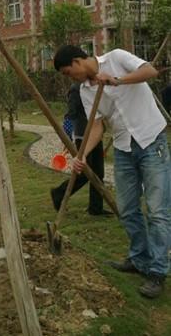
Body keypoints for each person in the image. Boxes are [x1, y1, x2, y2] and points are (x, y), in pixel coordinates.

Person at [53, 45, 170, 299]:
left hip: (151, 141)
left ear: (77, 61)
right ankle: (139, 259)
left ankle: (158, 272)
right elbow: (97, 127)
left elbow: (150, 71)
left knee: (158, 211)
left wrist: (116, 80)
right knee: (128, 209)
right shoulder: (85, 90)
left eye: (67, 71)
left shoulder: (116, 58)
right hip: (123, 147)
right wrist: (81, 154)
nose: (69, 77)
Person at [50, 82, 112, 216]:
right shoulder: (75, 89)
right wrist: (67, 139)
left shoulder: (94, 85)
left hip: (96, 136)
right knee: (84, 173)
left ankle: (95, 208)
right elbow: (70, 115)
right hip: (82, 137)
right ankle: (58, 193)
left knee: (98, 173)